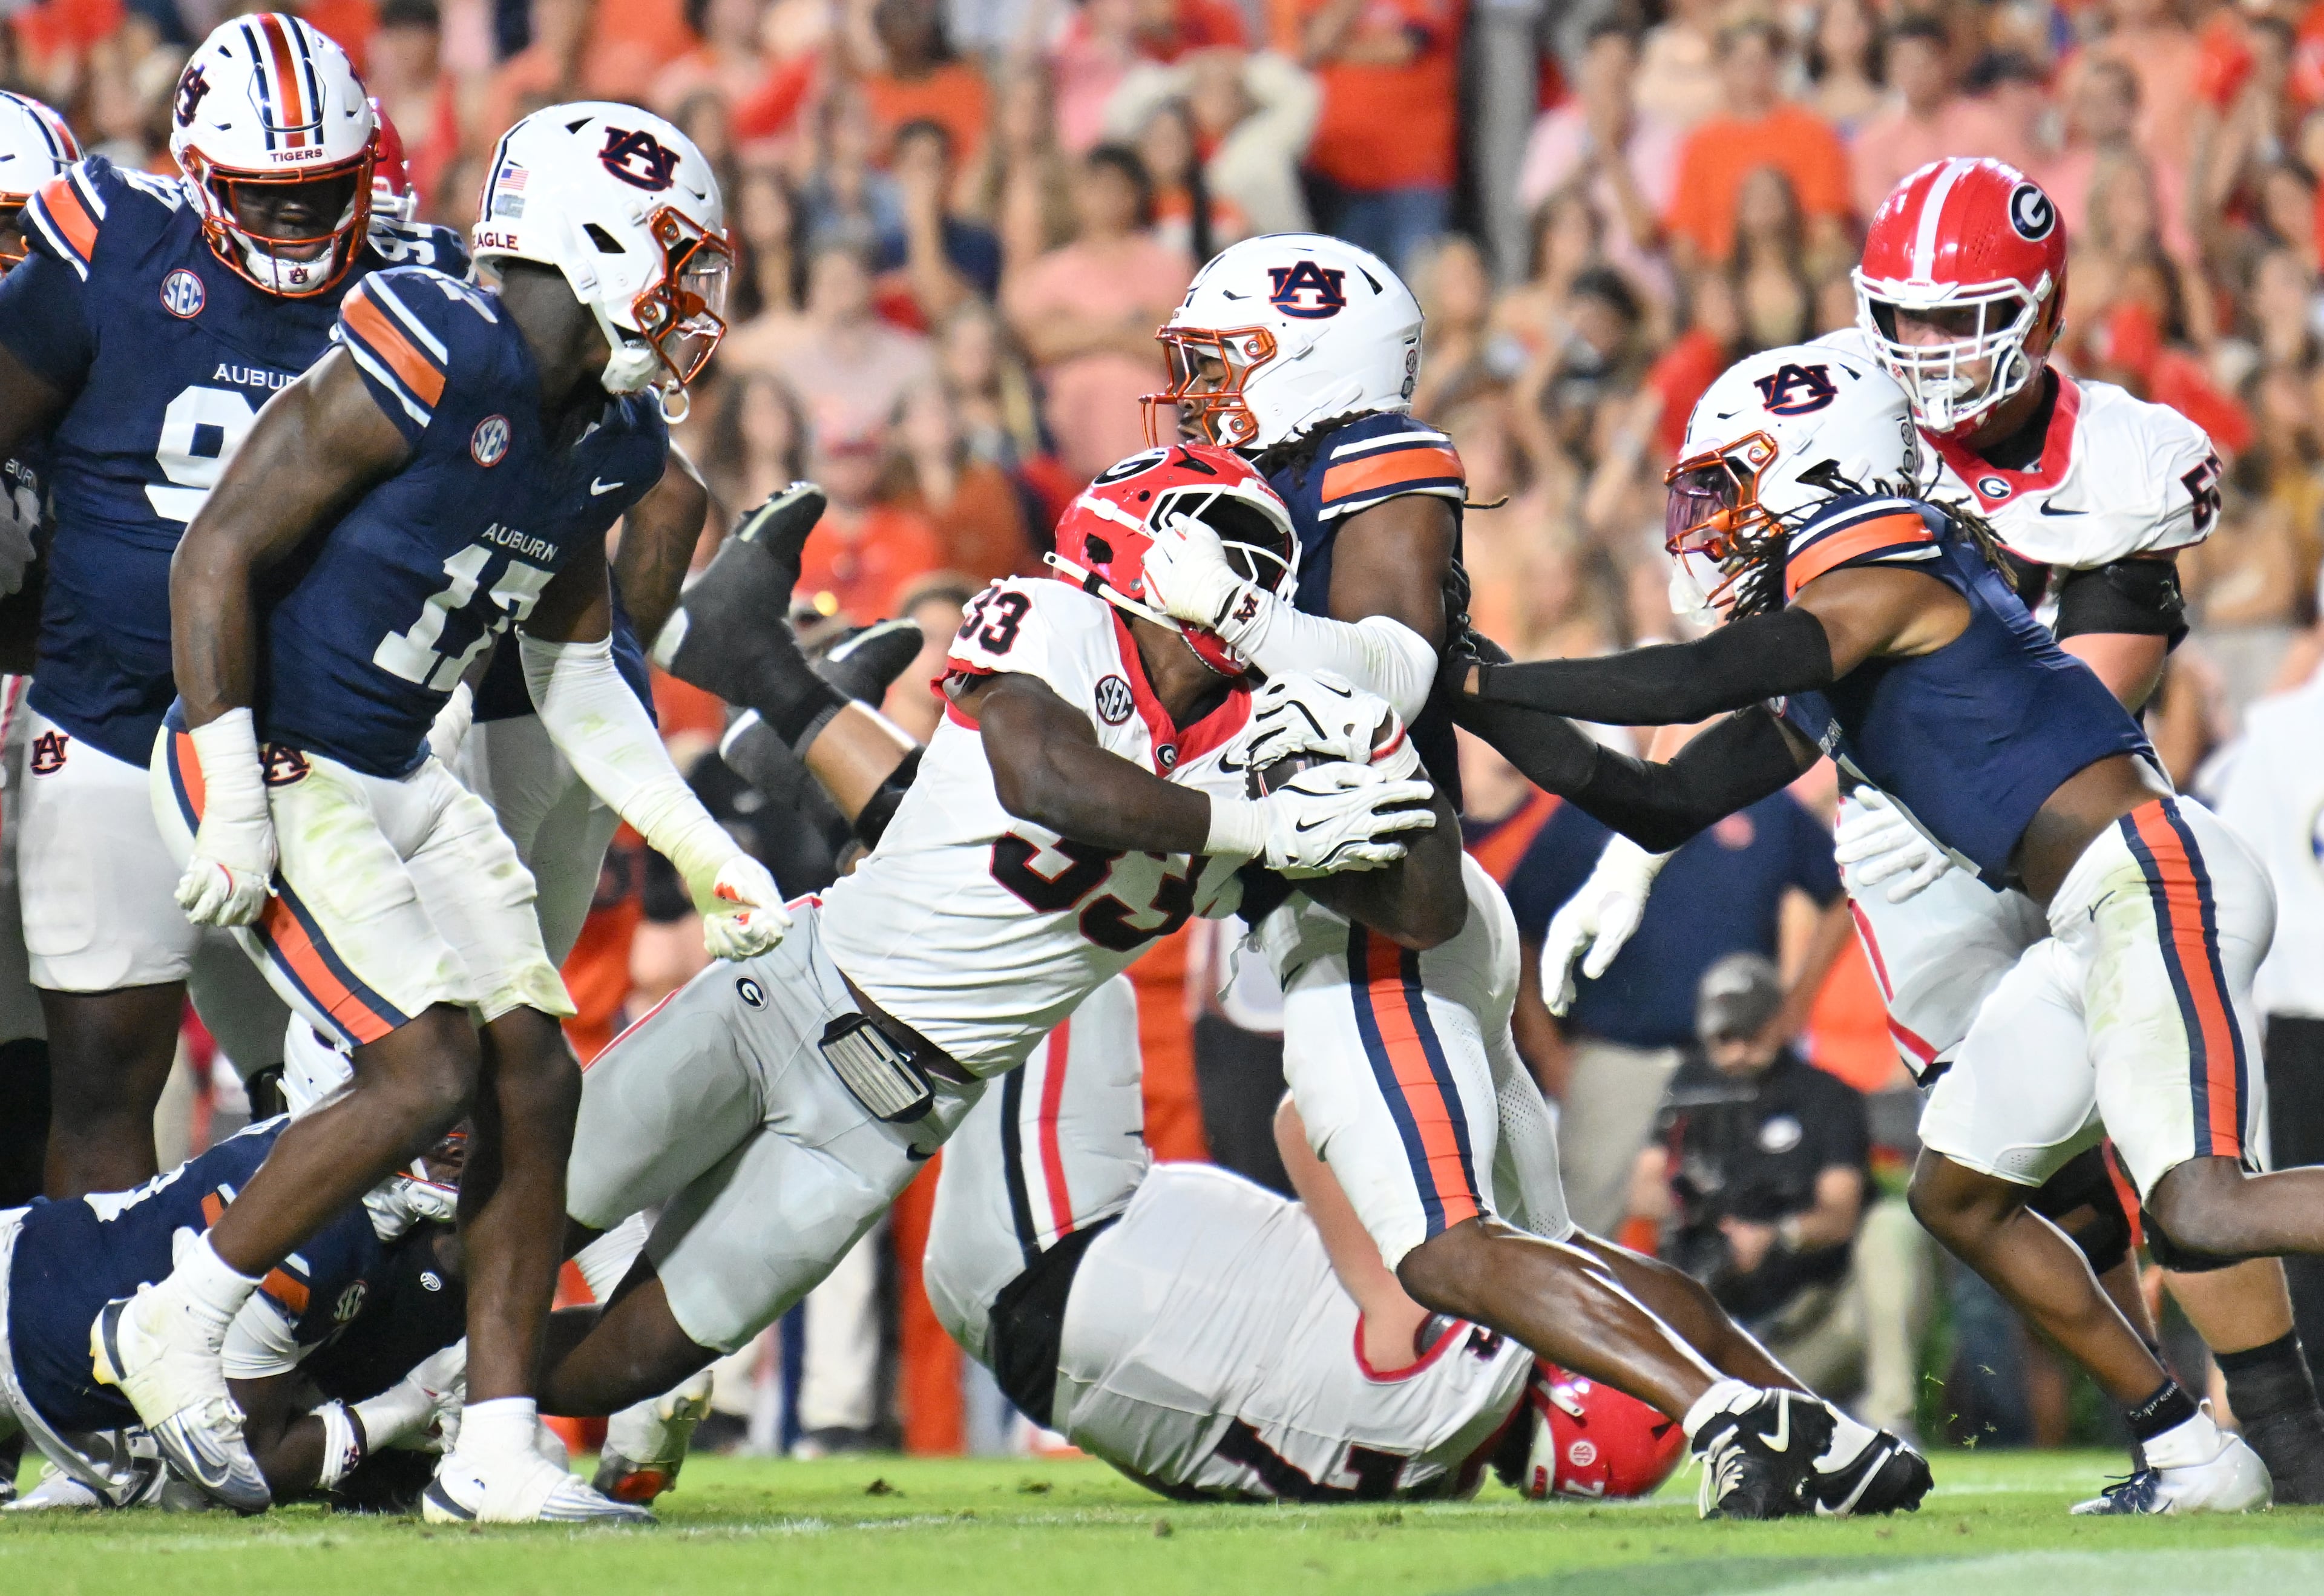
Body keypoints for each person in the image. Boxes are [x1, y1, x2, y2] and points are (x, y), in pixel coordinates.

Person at [1546, 157, 2324, 1501]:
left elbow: (2085, 690)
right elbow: (1763, 676)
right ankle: (2188, 1445)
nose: (1924, 351)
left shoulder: (2125, 456)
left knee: (2189, 1176)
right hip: (1915, 849)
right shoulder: (1839, 408)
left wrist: (1493, 682)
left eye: (1961, 318)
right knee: (2005, 1184)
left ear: (2039, 308)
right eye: (1901, 316)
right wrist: (1638, 839)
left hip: (2067, 815)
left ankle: (2277, 1428)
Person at [1134, 233, 1902, 1520]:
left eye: (1229, 363)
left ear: (1314, 362)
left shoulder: (1375, 460)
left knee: (1445, 1249)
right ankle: (1829, 1434)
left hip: (1370, 902)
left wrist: (1258, 628)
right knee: (1547, 1248)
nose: (1204, 391)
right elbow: (1564, 742)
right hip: (1398, 894)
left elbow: (1392, 658)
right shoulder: (1282, 483)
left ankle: (1739, 1419)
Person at [99, 103, 787, 1525]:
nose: (689, 295)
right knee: (422, 1073)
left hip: (399, 770)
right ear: (586, 243)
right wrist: (229, 787)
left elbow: (585, 680)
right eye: (672, 258)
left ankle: (496, 1443)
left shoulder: (603, 431)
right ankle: (174, 1314)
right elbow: (216, 548)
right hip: (277, 753)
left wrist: (713, 854)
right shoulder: (432, 340)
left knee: (535, 1079)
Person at [527, 447, 1439, 1465]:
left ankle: (412, 1398)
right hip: (791, 997)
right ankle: (369, 1384)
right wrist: (1262, 827)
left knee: (637, 1358)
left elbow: (1424, 911)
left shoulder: (1264, 744)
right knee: (528, 1221)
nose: (1245, 586)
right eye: (1228, 559)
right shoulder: (1057, 624)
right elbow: (1045, 778)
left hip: (888, 1119)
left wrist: (1389, 764)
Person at [0, 17, 464, 1201]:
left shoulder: (415, 293)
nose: (300, 225)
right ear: (201, 175)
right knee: (100, 1074)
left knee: (347, 1081)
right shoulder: (107, 253)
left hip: (309, 745)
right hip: (107, 717)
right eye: (270, 198)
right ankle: (82, 1362)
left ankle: (267, 1352)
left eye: (320, 195)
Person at [1, 1112, 467, 1511]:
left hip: (38, 1282)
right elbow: (250, 1465)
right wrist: (417, 1398)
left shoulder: (321, 1166)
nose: (465, 1141)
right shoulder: (311, 1240)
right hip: (24, 1335)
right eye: (448, 1122)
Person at [1640, 956, 1871, 1399]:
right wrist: (1693, 1208)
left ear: (1779, 1021)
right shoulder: (1689, 1085)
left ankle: (1885, 1411)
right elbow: (1643, 1186)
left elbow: (1840, 1213)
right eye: (1725, 1037)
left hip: (1804, 1303)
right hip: (1705, 1300)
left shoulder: (1825, 1094)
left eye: (1751, 1032)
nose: (1738, 1049)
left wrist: (1775, 1234)